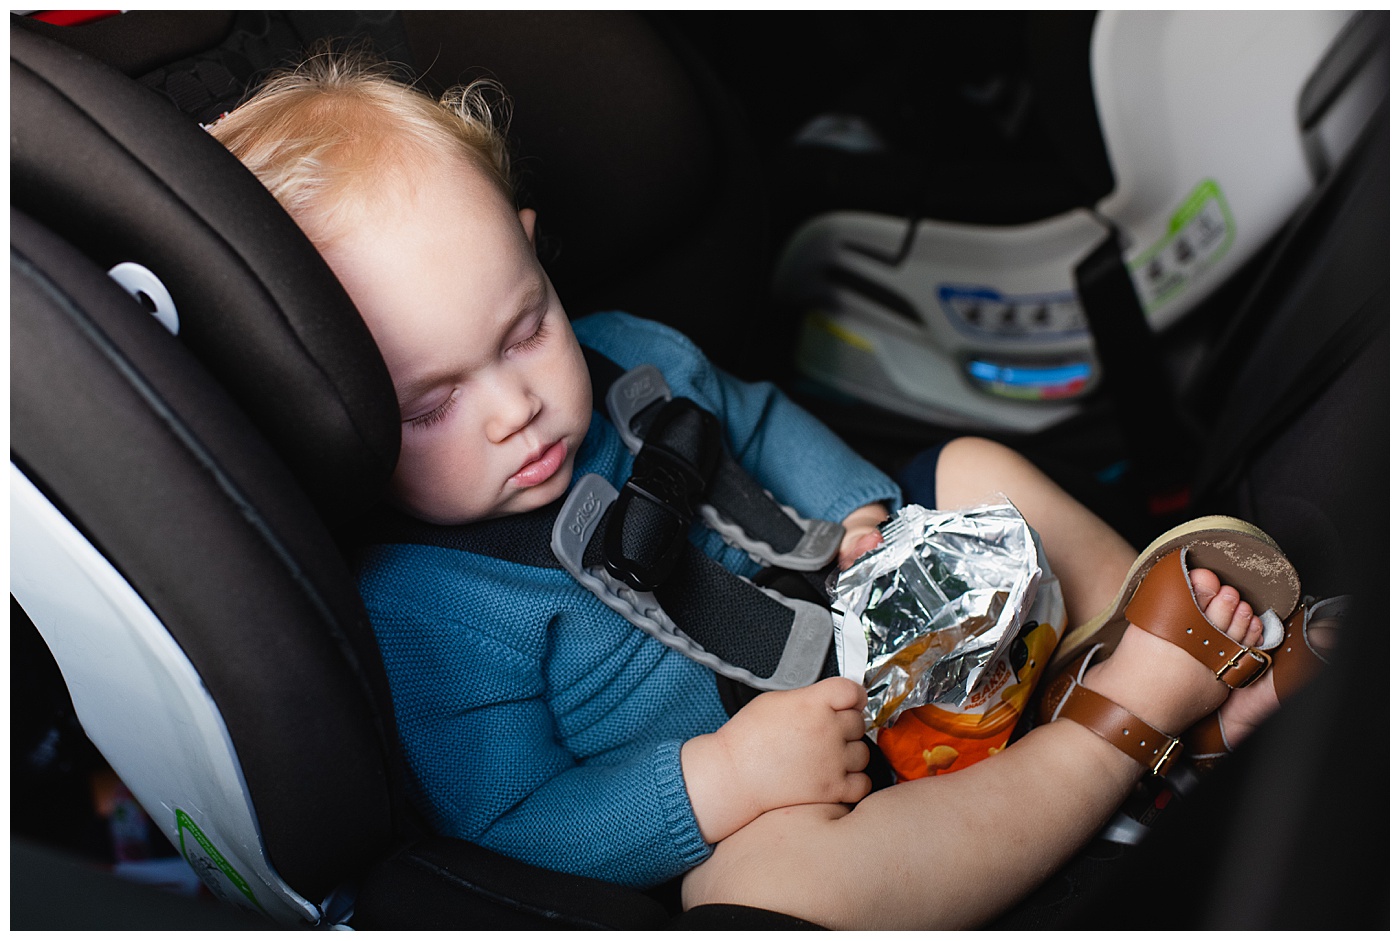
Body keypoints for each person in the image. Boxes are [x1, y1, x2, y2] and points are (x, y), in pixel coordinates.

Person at [208, 52, 1300, 929]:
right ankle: (1117, 729)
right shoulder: (426, 609)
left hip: (884, 613)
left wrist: (857, 513)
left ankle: (1152, 651)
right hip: (787, 780)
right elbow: (512, 819)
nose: (515, 408)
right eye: (431, 403)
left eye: (524, 328)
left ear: (531, 253)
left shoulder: (631, 359)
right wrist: (718, 781)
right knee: (767, 894)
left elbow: (759, 420)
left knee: (971, 465)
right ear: (334, 426)